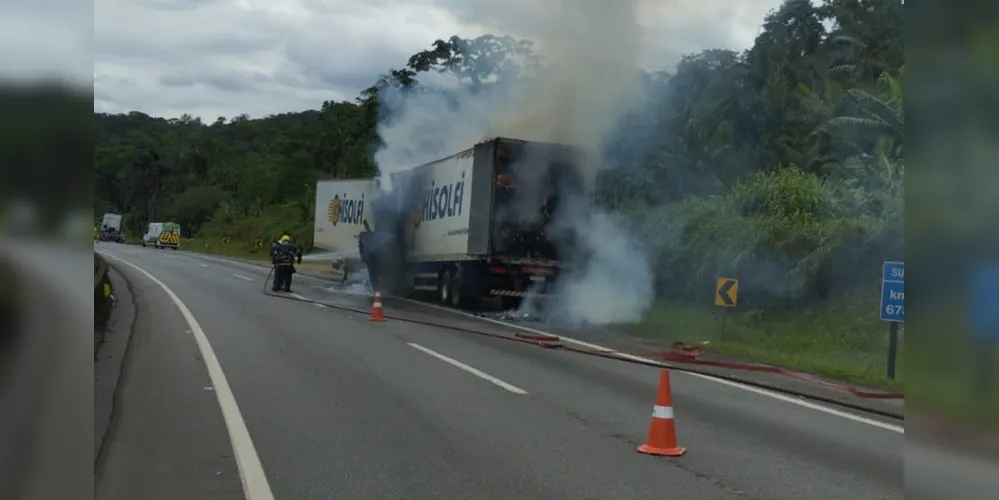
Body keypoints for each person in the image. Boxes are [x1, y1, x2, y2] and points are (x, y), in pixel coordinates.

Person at [357, 220, 380, 292]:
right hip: (370, 259)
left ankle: (372, 287)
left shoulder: (366, 236)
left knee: (372, 274)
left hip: (371, 258)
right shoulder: (365, 236)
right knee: (373, 274)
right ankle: (373, 287)